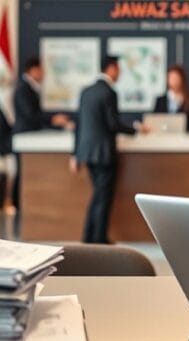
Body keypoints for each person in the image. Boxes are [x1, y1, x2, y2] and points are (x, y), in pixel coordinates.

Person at [71, 56, 145, 243]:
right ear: (111, 69)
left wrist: (75, 154)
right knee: (102, 198)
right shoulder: (109, 92)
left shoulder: (86, 92)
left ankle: (89, 237)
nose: (119, 73)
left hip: (87, 153)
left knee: (97, 195)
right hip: (104, 154)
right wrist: (136, 128)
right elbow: (113, 124)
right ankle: (98, 239)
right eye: (118, 69)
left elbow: (78, 124)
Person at [11, 56, 71, 230]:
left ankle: (20, 207)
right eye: (41, 69)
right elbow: (31, 116)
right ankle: (19, 207)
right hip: (23, 136)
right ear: (33, 70)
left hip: (28, 136)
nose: (44, 73)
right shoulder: (23, 89)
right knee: (22, 173)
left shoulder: (29, 88)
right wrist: (53, 119)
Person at [152, 64, 189, 132]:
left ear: (182, 79)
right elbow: (155, 122)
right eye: (170, 77)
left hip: (183, 139)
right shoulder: (160, 101)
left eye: (176, 78)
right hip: (163, 138)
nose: (173, 81)